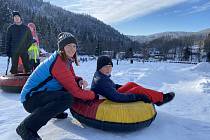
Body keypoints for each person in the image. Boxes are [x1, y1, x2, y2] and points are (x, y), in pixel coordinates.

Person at [16, 32, 95, 140]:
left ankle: (54, 112)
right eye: (68, 46)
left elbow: (71, 78)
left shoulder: (65, 60)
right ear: (62, 48)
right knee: (68, 98)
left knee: (67, 93)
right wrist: (94, 95)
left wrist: (79, 80)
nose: (72, 49)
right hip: (30, 99)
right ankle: (26, 128)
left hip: (41, 94)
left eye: (74, 46)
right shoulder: (58, 63)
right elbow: (75, 92)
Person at [91, 55, 175, 105]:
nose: (108, 69)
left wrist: (123, 87)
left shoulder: (100, 75)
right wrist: (137, 97)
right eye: (105, 67)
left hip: (110, 92)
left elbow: (111, 86)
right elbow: (116, 97)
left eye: (110, 66)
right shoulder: (101, 80)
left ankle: (156, 98)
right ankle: (161, 98)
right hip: (110, 97)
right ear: (100, 67)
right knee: (137, 90)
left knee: (131, 84)